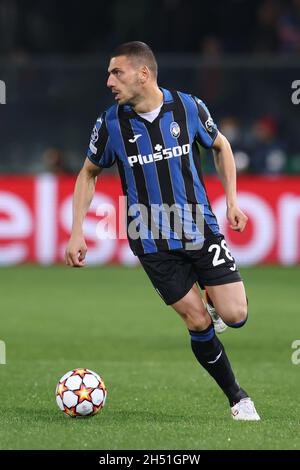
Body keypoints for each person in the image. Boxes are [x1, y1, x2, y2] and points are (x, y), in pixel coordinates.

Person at [65, 41, 260, 421]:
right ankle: (238, 397)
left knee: (235, 315)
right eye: (108, 73)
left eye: (116, 72)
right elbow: (88, 172)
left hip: (198, 227)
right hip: (150, 238)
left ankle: (214, 299)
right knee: (198, 321)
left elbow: (220, 146)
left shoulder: (188, 107)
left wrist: (232, 200)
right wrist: (77, 232)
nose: (109, 81)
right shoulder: (110, 123)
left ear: (143, 74)